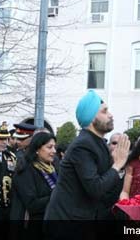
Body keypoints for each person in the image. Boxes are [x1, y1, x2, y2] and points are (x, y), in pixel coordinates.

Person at [44, 91, 130, 228]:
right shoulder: (83, 145)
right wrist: (117, 164)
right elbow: (96, 188)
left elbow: (107, 189)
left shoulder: (99, 142)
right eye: (104, 111)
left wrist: (119, 167)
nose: (111, 115)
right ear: (91, 119)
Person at [10, 132, 57, 239]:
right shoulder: (25, 171)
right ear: (37, 149)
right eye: (49, 147)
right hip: (31, 229)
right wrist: (57, 196)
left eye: (55, 147)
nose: (54, 151)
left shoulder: (53, 168)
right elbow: (32, 205)